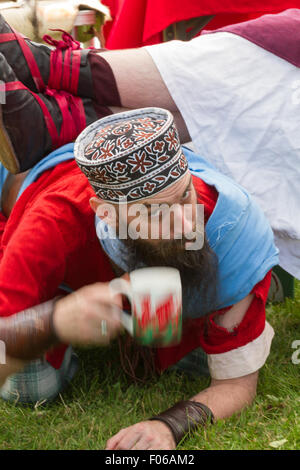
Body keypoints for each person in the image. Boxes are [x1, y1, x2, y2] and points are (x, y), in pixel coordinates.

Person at [0, 46, 278, 448]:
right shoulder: (53, 223)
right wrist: (53, 321)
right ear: (107, 213)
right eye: (152, 211)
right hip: (50, 215)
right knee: (30, 388)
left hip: (167, 296)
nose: (187, 224)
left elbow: (237, 381)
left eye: (184, 197)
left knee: (206, 354)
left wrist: (170, 425)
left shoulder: (232, 225)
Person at [1, 9, 299, 280]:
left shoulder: (238, 227)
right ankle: (51, 110)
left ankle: (51, 98)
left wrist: (61, 319)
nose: (186, 224)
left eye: (184, 199)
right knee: (283, 46)